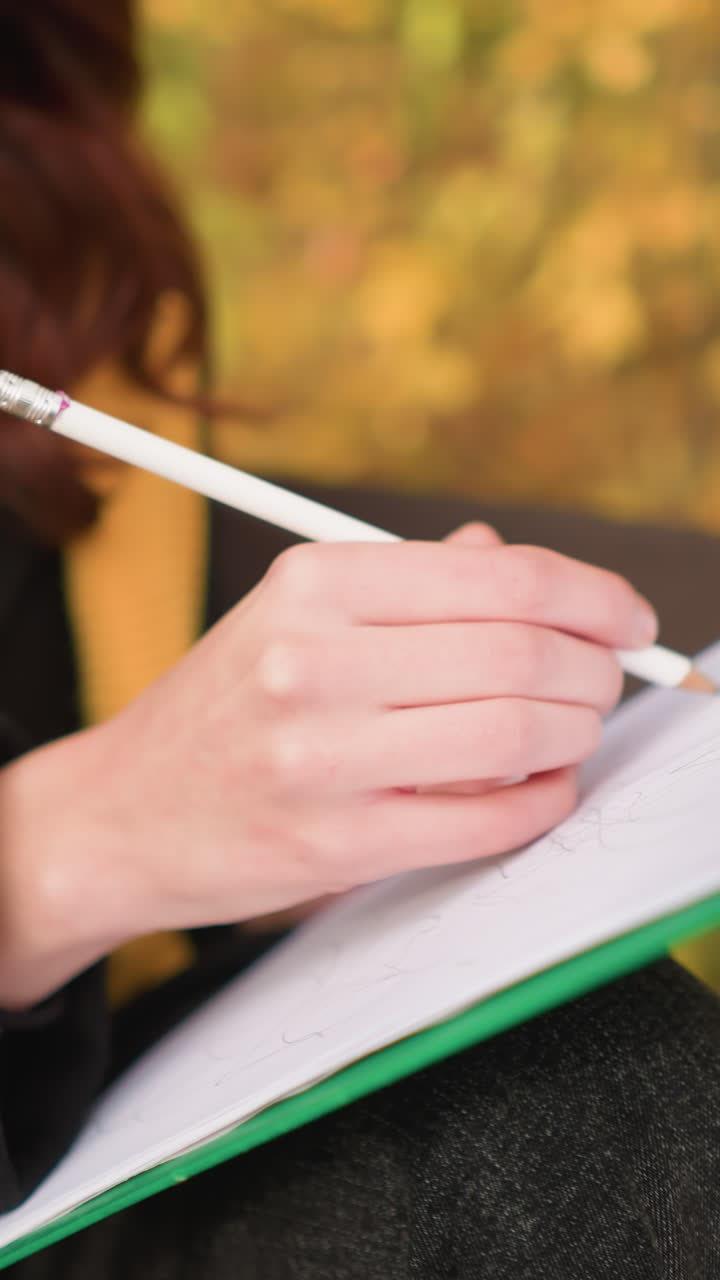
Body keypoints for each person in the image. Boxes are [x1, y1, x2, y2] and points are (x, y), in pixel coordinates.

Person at [1, 4, 720, 1277]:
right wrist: (69, 844)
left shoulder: (54, 202)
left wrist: (313, 809)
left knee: (565, 1070)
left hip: (128, 1056)